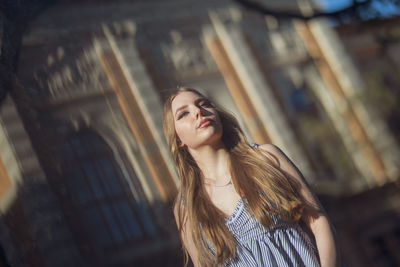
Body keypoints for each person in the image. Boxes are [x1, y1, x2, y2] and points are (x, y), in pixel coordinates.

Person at [162, 87, 339, 267]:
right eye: (183, 114)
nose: (198, 112)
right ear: (178, 140)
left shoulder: (266, 158)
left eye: (204, 104)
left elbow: (318, 221)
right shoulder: (187, 206)